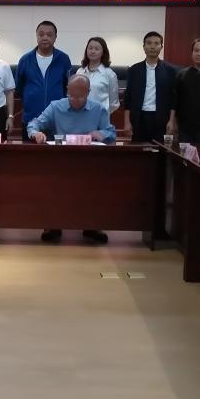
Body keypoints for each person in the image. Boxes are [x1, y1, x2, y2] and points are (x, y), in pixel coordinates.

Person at [27, 75, 116, 245]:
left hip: (89, 163)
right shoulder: (56, 106)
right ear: (67, 91)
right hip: (61, 161)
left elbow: (111, 133)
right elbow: (34, 124)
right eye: (71, 95)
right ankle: (53, 225)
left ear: (88, 92)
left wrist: (101, 134)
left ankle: (92, 226)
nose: (74, 100)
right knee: (52, 185)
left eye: (80, 96)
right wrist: (35, 133)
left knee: (95, 187)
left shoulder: (98, 109)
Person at [14, 20, 73, 140]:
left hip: (57, 121)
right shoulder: (25, 60)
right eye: (41, 34)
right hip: (30, 119)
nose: (45, 37)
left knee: (57, 152)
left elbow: (68, 87)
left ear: (55, 37)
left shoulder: (63, 59)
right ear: (36, 36)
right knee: (29, 152)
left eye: (49, 34)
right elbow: (19, 89)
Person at [124, 31, 177, 143]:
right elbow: (128, 97)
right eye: (149, 43)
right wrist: (127, 122)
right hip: (139, 118)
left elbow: (173, 98)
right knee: (139, 150)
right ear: (144, 47)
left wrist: (172, 121)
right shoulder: (134, 70)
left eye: (156, 43)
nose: (152, 46)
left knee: (160, 151)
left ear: (161, 47)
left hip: (161, 119)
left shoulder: (170, 71)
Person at [75, 37, 120, 116]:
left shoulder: (109, 74)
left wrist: (102, 113)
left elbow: (113, 103)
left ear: (103, 52)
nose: (92, 51)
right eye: (90, 48)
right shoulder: (80, 72)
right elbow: (75, 95)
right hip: (80, 116)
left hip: (100, 117)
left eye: (97, 49)